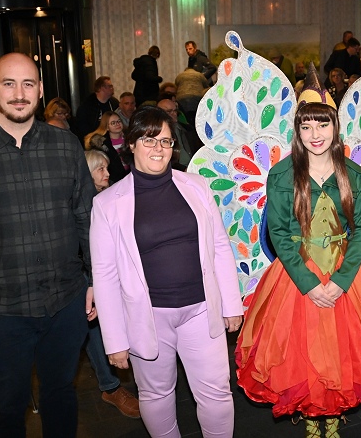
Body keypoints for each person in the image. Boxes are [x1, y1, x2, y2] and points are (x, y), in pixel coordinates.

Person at [0, 52, 98, 437]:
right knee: (5, 409)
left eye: (28, 84)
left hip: (66, 303)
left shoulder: (66, 146)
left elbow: (88, 219)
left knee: (61, 394)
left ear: (40, 90)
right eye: (8, 83)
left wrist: (96, 280)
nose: (19, 93)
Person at [236, 100, 361, 438]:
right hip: (297, 273)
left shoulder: (353, 174)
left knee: (343, 348)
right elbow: (278, 233)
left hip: (345, 273)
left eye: (323, 125)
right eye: (307, 126)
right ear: (298, 132)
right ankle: (312, 418)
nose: (315, 134)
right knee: (302, 348)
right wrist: (309, 283)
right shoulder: (282, 175)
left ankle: (334, 415)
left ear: (335, 128)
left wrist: (341, 281)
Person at [90, 106, 242, 437]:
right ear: (131, 144)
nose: (158, 148)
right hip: (148, 317)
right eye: (149, 140)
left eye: (166, 141)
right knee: (156, 395)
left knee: (217, 394)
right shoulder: (107, 204)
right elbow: (104, 275)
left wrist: (232, 304)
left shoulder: (197, 186)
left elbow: (219, 246)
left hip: (202, 309)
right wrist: (114, 339)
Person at [81, 148, 141, 418]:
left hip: (120, 267)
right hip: (89, 274)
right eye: (100, 169)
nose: (107, 173)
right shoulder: (81, 204)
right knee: (95, 326)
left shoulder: (113, 195)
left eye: (107, 167)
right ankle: (110, 387)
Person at [84, 111, 130, 185]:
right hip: (113, 180)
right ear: (107, 127)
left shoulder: (130, 138)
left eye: (119, 121)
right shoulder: (102, 145)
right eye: (113, 123)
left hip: (131, 176)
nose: (117, 124)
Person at [75, 76, 119, 141]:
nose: (112, 88)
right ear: (101, 88)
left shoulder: (114, 103)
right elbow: (83, 129)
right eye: (110, 86)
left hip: (113, 139)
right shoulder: (86, 106)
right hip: (94, 140)